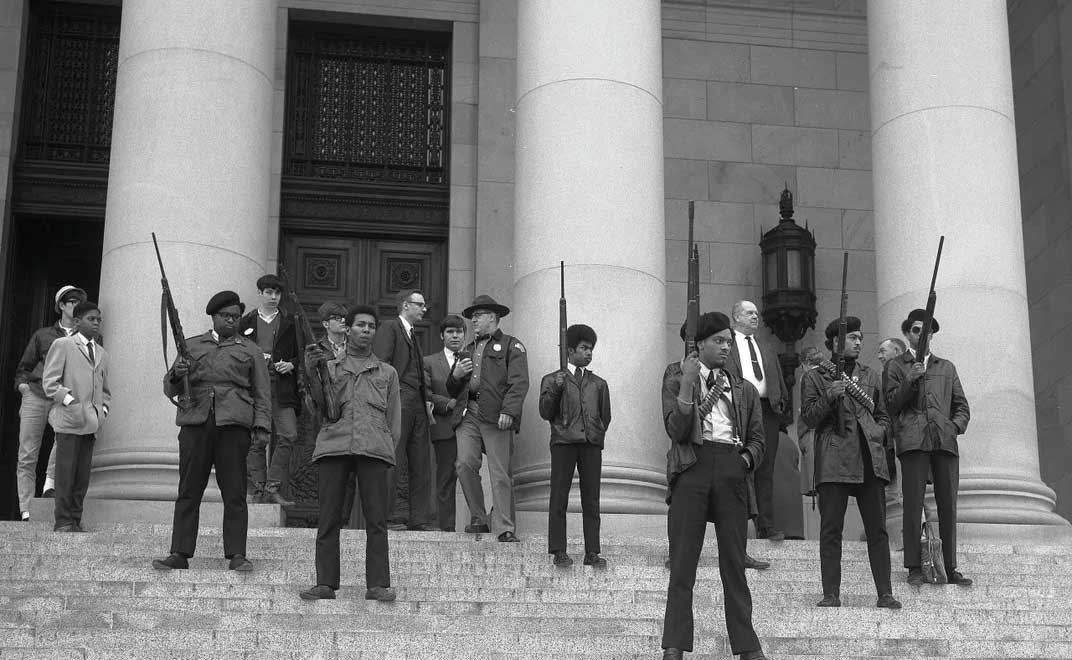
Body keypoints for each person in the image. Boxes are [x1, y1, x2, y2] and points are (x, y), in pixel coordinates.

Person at [661, 312, 767, 660]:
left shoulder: (743, 388)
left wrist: (744, 462)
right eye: (719, 340)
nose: (725, 347)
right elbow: (677, 430)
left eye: (728, 341)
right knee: (683, 562)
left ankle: (747, 646)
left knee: (734, 563)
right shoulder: (676, 376)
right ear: (700, 344)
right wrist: (690, 384)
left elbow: (757, 440)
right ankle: (674, 646)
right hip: (692, 464)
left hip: (730, 466)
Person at [152, 291, 271, 572]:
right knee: (189, 490)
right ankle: (180, 552)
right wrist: (177, 375)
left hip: (234, 424)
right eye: (225, 316)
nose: (231, 321)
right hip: (196, 422)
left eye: (235, 317)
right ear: (214, 317)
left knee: (234, 492)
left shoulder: (250, 349)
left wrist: (262, 426)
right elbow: (170, 388)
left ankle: (237, 554)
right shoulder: (191, 346)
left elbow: (263, 392)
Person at [299, 304, 400, 602]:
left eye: (370, 326)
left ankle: (378, 584)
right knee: (329, 517)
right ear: (347, 328)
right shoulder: (328, 368)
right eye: (359, 325)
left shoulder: (388, 373)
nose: (365, 330)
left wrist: (386, 448)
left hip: (374, 449)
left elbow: (394, 420)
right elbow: (316, 411)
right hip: (335, 446)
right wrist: (310, 372)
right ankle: (325, 583)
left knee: (377, 520)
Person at [800, 317, 901, 609]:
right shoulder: (817, 376)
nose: (859, 342)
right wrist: (829, 398)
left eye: (860, 337)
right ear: (834, 342)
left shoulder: (870, 375)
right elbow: (808, 418)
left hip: (870, 455)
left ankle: (885, 592)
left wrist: (880, 431)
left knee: (877, 530)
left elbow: (883, 415)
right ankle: (831, 593)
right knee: (831, 528)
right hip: (834, 456)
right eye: (853, 337)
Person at [886, 308, 972, 587]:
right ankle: (913, 566)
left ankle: (950, 566)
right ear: (907, 333)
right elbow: (891, 405)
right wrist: (911, 378)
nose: (921, 335)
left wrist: (953, 427)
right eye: (915, 330)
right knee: (912, 505)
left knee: (949, 506)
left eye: (926, 330)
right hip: (913, 442)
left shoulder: (946, 367)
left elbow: (962, 407)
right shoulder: (896, 366)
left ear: (932, 334)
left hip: (944, 442)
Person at [446, 294, 529, 543]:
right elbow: (452, 389)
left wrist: (509, 411)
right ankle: (480, 518)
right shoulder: (467, 349)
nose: (473, 320)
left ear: (492, 317)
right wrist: (456, 375)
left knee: (500, 471)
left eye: (477, 315)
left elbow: (519, 383)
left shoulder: (511, 346)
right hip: (468, 413)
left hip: (496, 415)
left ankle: (504, 526)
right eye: (473, 316)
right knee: (463, 464)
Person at [538, 323, 611, 568]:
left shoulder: (599, 383)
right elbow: (545, 412)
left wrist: (596, 434)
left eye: (591, 348)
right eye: (584, 348)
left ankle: (592, 552)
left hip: (590, 444)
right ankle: (559, 549)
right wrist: (557, 388)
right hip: (563, 442)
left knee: (592, 499)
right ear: (570, 351)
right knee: (559, 497)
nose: (589, 352)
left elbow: (605, 416)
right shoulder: (552, 379)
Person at [14, 284, 87, 520]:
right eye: (72, 301)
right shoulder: (42, 334)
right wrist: (23, 388)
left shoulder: (84, 336)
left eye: (79, 301)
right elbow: (24, 367)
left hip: (63, 399)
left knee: (63, 441)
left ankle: (49, 484)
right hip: (35, 394)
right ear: (62, 306)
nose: (76, 305)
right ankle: (26, 509)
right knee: (27, 454)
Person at [40, 301, 109, 532]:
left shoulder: (102, 353)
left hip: (91, 422)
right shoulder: (63, 344)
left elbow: (105, 390)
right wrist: (70, 401)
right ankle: (63, 520)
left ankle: (75, 519)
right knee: (65, 473)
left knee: (81, 477)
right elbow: (50, 382)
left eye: (98, 319)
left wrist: (103, 410)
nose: (96, 323)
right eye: (92, 319)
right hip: (69, 420)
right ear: (77, 321)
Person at [372, 289, 436, 531]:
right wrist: (388, 401)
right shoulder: (390, 328)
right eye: (419, 305)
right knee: (394, 458)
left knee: (421, 462)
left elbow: (420, 372)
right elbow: (382, 364)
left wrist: (427, 398)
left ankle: (419, 519)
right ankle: (386, 517)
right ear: (405, 305)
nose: (424, 309)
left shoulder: (412, 333)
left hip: (418, 403)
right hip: (399, 399)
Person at [727, 300, 788, 541]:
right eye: (749, 313)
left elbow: (778, 378)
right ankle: (738, 524)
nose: (755, 317)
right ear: (736, 316)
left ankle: (766, 525)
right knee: (738, 465)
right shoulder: (728, 343)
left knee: (766, 468)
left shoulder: (765, 345)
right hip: (738, 409)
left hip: (767, 410)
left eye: (756, 313)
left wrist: (781, 402)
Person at [239, 274, 300, 506]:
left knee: (288, 434)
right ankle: (258, 488)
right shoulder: (245, 322)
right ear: (260, 294)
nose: (273, 297)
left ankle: (273, 486)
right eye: (269, 293)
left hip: (281, 386)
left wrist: (291, 364)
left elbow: (301, 353)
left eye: (277, 293)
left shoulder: (290, 321)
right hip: (254, 388)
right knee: (257, 438)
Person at [423, 314, 469, 532]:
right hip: (445, 428)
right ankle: (446, 529)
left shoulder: (474, 359)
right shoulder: (429, 362)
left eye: (459, 331)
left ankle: (479, 521)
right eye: (450, 332)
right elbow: (425, 393)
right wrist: (449, 403)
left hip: (473, 427)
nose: (455, 335)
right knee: (445, 480)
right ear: (442, 335)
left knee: (472, 476)